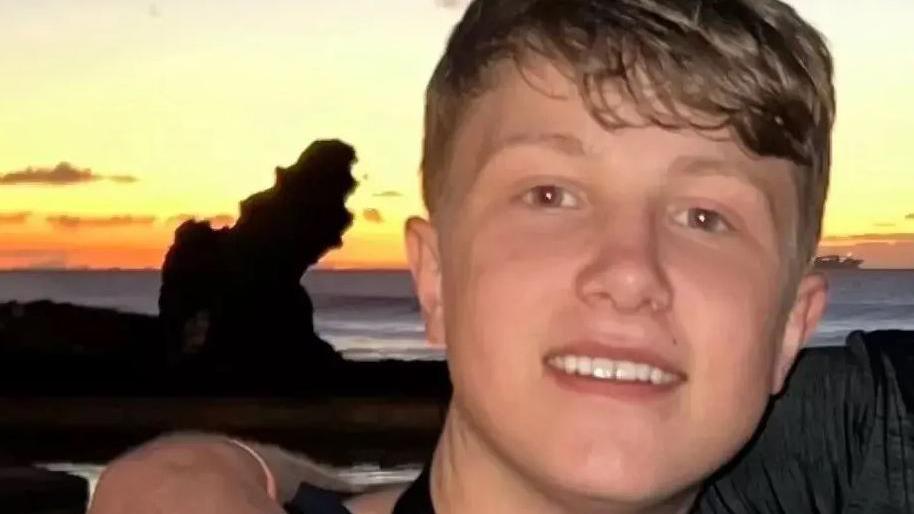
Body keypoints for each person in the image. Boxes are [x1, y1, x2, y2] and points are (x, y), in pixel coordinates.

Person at [88, 0, 914, 513]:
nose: (629, 271)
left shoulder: (844, 455)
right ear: (436, 278)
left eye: (705, 215)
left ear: (789, 329)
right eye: (550, 195)